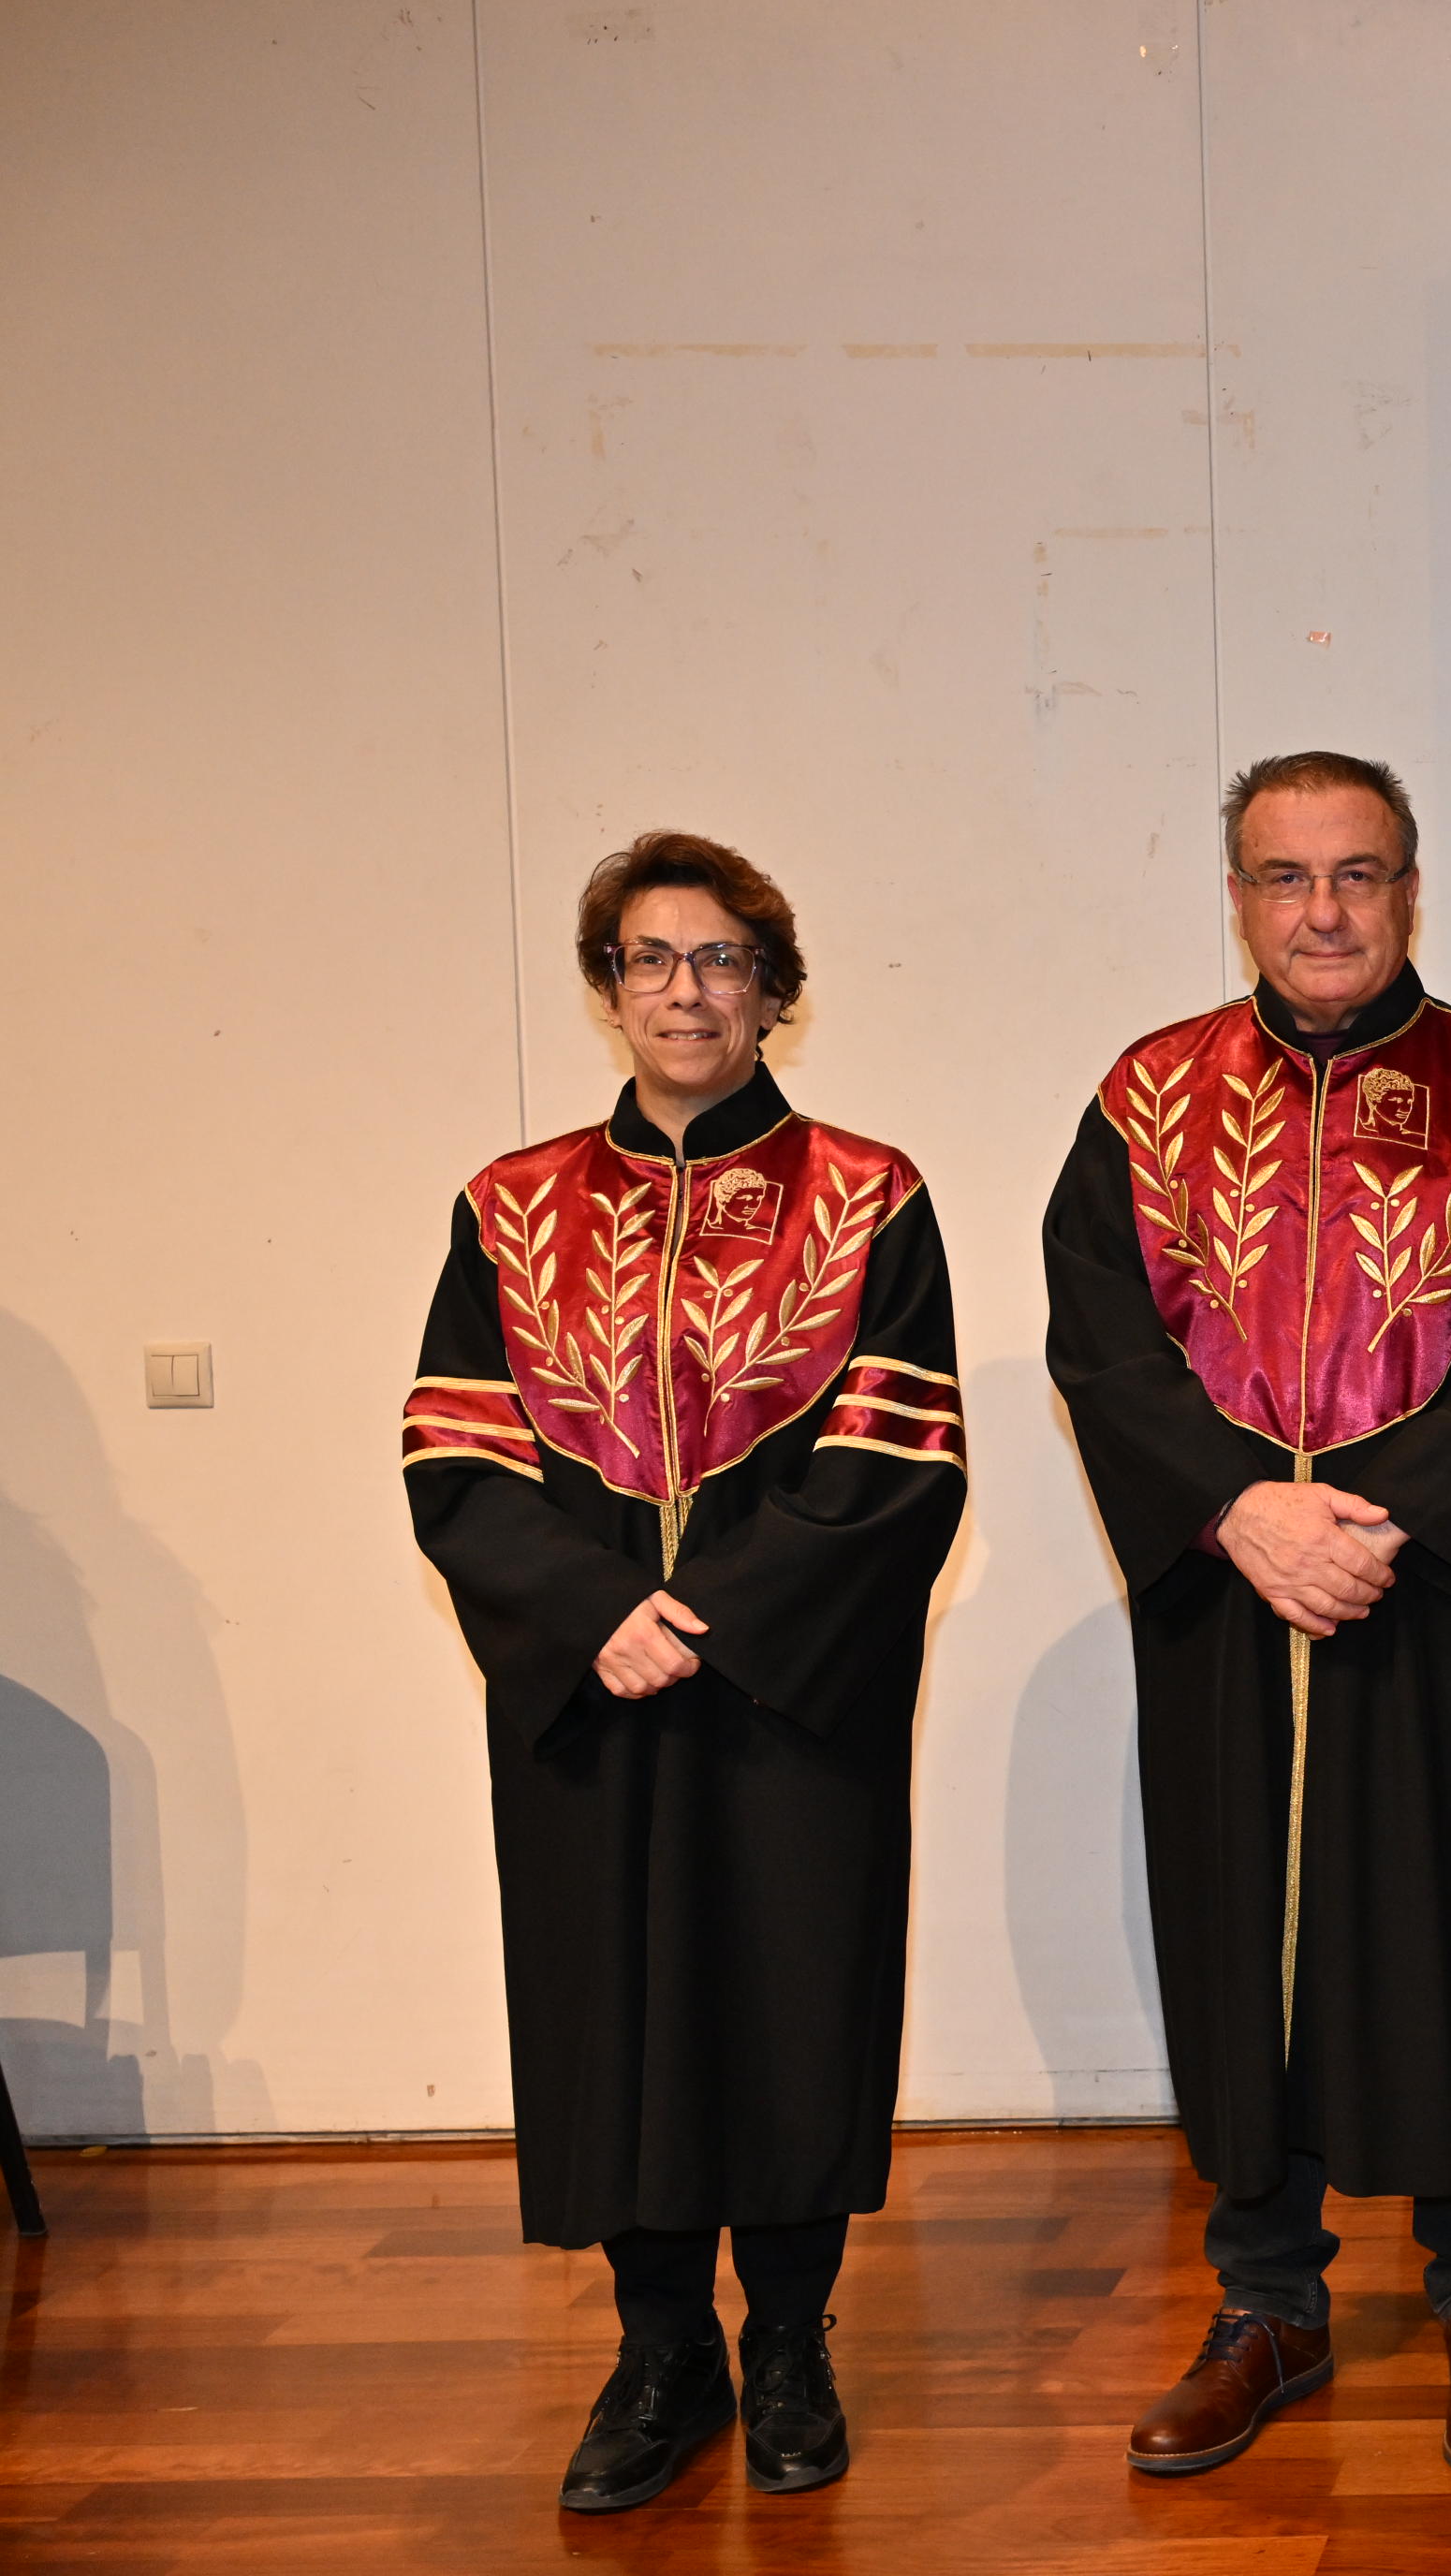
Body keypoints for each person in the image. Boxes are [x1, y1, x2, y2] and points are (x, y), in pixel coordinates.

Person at [1047, 752, 1451, 2483]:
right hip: (1230, 1585)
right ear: (1237, 898)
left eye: (1357, 874)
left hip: (1436, 1589)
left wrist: (1376, 1521)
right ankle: (1268, 2301)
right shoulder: (1148, 1096)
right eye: (1285, 878)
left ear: (1410, 889)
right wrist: (1238, 1508)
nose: (1324, 911)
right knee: (1241, 1939)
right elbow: (1101, 1337)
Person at [401, 833, 966, 2513]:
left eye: (720, 958)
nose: (685, 990)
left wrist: (711, 1616)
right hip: (587, 1687)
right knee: (612, 2010)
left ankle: (788, 2342)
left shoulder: (867, 1195)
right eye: (649, 958)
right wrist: (597, 1613)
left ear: (773, 989)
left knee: (793, 2001)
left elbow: (899, 1452)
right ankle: (659, 2349)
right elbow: (453, 1452)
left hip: (791, 1689)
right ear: (609, 989)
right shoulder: (510, 1207)